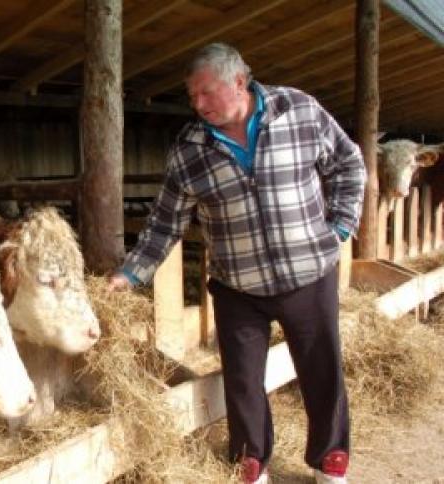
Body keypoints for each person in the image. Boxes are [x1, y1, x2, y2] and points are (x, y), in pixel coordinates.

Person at [108, 43, 365, 484]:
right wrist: (131, 273)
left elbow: (348, 163)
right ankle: (251, 461)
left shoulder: (299, 111)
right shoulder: (190, 150)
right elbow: (164, 223)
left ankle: (330, 460)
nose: (198, 105)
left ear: (240, 83)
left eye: (206, 93)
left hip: (308, 275)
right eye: (193, 97)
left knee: (321, 369)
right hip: (238, 286)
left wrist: (340, 226)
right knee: (243, 380)